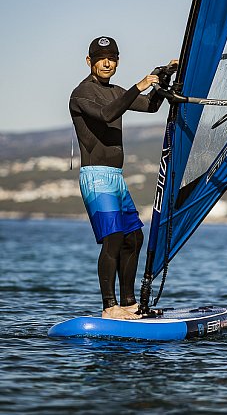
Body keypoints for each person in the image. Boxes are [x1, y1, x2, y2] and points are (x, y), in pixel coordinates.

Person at [69, 36, 177, 320]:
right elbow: (106, 115)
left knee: (133, 238)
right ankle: (109, 306)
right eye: (102, 58)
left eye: (113, 58)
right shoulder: (81, 94)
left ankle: (128, 303)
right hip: (95, 177)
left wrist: (162, 74)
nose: (108, 63)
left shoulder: (117, 91)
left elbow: (151, 106)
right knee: (113, 238)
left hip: (116, 177)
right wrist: (139, 85)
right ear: (89, 61)